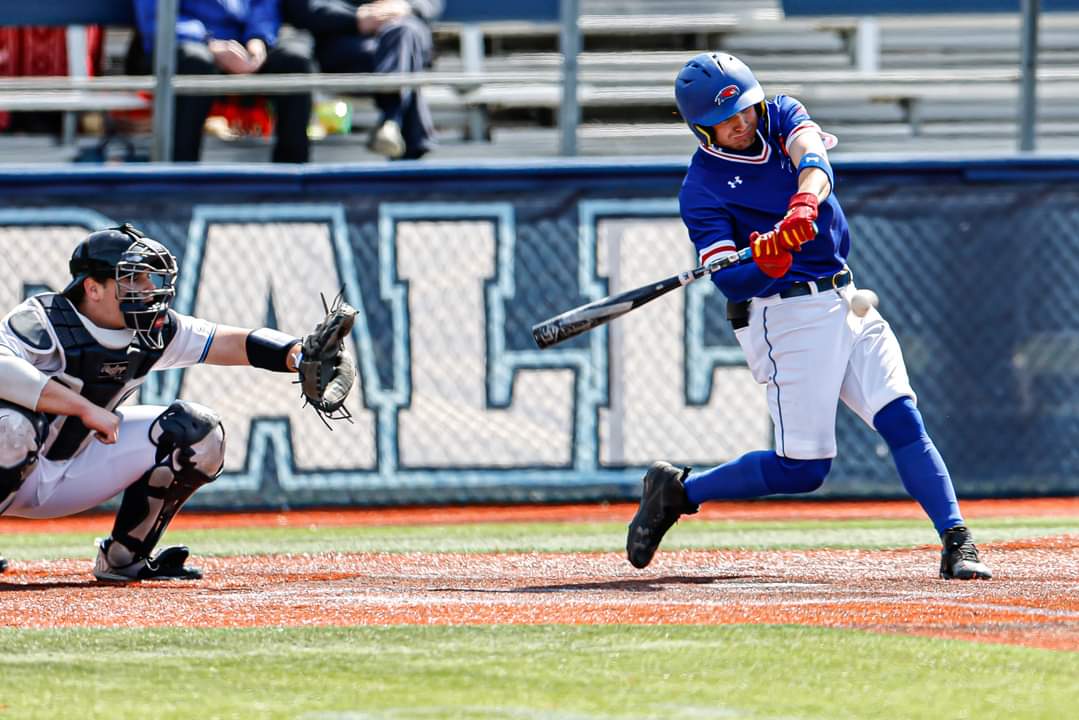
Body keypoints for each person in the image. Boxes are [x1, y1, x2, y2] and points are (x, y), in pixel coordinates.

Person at [625, 52, 992, 581]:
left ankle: (957, 540)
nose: (742, 122)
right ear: (701, 129)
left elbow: (815, 161)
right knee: (804, 470)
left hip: (846, 295)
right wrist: (767, 262)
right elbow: (729, 279)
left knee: (901, 418)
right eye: (726, 120)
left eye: (745, 109)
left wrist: (803, 205)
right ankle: (680, 491)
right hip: (785, 315)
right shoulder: (701, 188)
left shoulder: (779, 114)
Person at [0, 224, 355, 580]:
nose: (147, 289)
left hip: (72, 469)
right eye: (132, 280)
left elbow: (230, 342)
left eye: (147, 279)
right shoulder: (45, 319)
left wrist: (297, 354)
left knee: (199, 433)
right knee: (11, 428)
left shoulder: (153, 330)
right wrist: (84, 409)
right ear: (93, 288)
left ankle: (125, 559)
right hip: (13, 456)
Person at [130, 0, 315, 162]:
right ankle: (179, 176)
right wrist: (210, 44)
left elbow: (263, 6)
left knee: (294, 61)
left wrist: (258, 39)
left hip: (242, 45)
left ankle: (292, 180)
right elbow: (158, 17)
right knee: (195, 63)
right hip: (187, 46)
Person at [282, 0, 442, 160]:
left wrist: (405, 7)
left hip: (403, 35)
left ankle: (391, 123)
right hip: (347, 43)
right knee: (403, 57)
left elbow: (428, 4)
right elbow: (303, 8)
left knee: (404, 33)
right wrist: (357, 18)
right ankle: (394, 126)